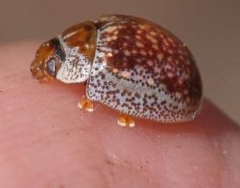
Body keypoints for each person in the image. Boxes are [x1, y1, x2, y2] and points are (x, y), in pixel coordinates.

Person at [0, 42, 239, 188]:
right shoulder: (91, 48)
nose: (43, 72)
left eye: (52, 66)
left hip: (180, 89)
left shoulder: (99, 58)